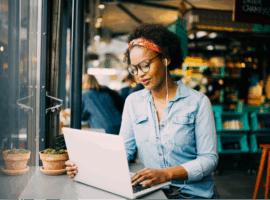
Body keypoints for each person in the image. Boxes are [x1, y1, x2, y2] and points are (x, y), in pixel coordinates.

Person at [66, 23, 219, 199]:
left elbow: (209, 160)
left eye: (145, 65)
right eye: (134, 68)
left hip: (194, 195)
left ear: (166, 59)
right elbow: (124, 150)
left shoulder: (198, 102)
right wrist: (85, 165)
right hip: (154, 192)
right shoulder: (133, 102)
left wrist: (166, 174)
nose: (139, 74)